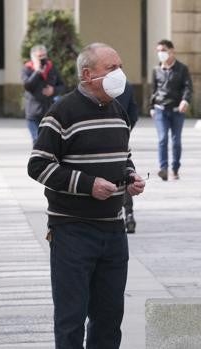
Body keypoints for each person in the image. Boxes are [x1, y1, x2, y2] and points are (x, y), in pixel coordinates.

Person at [27, 42, 146, 349]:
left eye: (120, 66)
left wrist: (130, 176)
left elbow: (123, 157)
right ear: (87, 74)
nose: (119, 73)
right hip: (72, 230)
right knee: (71, 319)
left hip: (113, 231)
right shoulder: (61, 112)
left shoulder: (119, 111)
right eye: (111, 68)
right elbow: (37, 165)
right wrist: (87, 184)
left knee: (109, 320)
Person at [150, 39, 193, 181]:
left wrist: (185, 101)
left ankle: (175, 169)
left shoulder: (182, 69)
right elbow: (153, 90)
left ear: (172, 51)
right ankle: (163, 169)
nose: (160, 53)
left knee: (176, 141)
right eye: (158, 51)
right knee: (162, 139)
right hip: (160, 109)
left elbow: (188, 87)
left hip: (176, 110)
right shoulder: (156, 70)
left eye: (163, 50)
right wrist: (151, 107)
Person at [22, 45, 65, 142]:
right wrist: (37, 71)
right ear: (33, 57)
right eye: (39, 56)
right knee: (37, 140)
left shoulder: (51, 67)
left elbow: (62, 86)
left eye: (44, 56)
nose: (42, 59)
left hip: (48, 111)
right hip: (33, 112)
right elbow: (27, 86)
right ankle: (37, 157)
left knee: (48, 141)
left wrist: (53, 90)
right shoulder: (27, 69)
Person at [116, 80, 139, 233]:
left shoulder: (95, 87)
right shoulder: (127, 86)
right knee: (122, 170)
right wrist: (126, 129)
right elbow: (134, 114)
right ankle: (129, 214)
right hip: (121, 135)